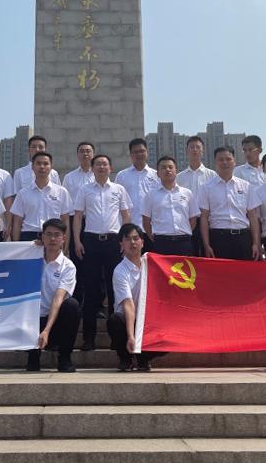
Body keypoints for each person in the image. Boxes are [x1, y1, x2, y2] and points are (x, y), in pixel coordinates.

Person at [72, 154, 132, 351]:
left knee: (116, 290)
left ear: (110, 168)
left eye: (105, 164)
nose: (101, 167)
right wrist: (77, 241)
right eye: (97, 164)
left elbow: (126, 216)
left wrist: (125, 240)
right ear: (92, 168)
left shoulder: (119, 189)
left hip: (114, 243)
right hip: (91, 241)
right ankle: (88, 339)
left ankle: (117, 337)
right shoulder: (85, 189)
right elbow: (78, 216)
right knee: (91, 290)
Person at [107, 223, 166, 371]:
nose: (132, 243)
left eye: (136, 238)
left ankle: (143, 359)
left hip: (148, 321)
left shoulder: (153, 264)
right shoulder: (120, 271)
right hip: (128, 321)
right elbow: (128, 304)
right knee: (115, 320)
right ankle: (125, 358)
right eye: (127, 239)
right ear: (121, 244)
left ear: (142, 242)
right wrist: (131, 336)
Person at [26, 218, 80, 372]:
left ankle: (64, 358)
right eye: (48, 234)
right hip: (31, 320)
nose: (52, 239)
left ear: (64, 239)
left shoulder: (68, 267)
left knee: (71, 306)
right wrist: (29, 247)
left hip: (54, 322)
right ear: (42, 237)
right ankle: (32, 357)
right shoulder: (30, 258)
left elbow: (58, 298)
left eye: (57, 235)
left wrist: (47, 330)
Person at [198, 147, 258, 260]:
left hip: (243, 237)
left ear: (234, 161)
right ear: (215, 162)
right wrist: (206, 245)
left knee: (245, 270)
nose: (225, 162)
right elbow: (204, 218)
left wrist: (256, 243)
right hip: (218, 238)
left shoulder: (246, 186)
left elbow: (253, 217)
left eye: (228, 159)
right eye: (221, 160)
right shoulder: (206, 188)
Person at [141, 156, 199, 257]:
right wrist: (155, 238)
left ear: (176, 171)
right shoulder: (150, 195)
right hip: (161, 242)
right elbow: (146, 222)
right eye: (163, 167)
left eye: (170, 167)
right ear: (158, 173)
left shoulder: (187, 193)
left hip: (184, 241)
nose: (167, 170)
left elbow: (193, 219)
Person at [10, 152, 73, 241]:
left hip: (53, 236)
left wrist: (65, 246)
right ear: (32, 166)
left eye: (46, 164)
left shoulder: (62, 192)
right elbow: (17, 222)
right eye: (38, 163)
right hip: (28, 236)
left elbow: (65, 220)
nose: (42, 167)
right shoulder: (23, 193)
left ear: (51, 167)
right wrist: (16, 244)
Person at [62, 141, 96, 302]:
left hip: (94, 222)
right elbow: (66, 203)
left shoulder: (98, 174)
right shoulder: (70, 178)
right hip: (75, 222)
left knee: (93, 262)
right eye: (82, 151)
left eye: (88, 151)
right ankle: (77, 300)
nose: (85, 154)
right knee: (77, 262)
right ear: (77, 155)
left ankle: (94, 302)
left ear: (93, 154)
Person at [176, 135, 216, 255]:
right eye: (191, 147)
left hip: (207, 221)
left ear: (202, 151)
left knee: (207, 253)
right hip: (187, 221)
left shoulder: (212, 175)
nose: (194, 150)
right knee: (190, 254)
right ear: (186, 151)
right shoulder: (179, 177)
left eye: (198, 147)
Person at [113, 138, 159, 225]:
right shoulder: (122, 176)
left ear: (147, 152)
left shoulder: (157, 175)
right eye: (135, 152)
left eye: (142, 151)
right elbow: (115, 201)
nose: (139, 154)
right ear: (130, 154)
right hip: (130, 226)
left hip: (153, 226)